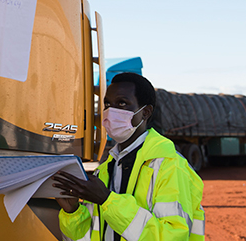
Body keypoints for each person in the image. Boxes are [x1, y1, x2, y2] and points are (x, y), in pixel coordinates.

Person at [52, 73, 205, 241]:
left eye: (122, 103)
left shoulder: (169, 166)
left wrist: (107, 200)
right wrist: (72, 212)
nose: (111, 111)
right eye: (107, 104)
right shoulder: (104, 170)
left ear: (145, 112)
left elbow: (171, 236)